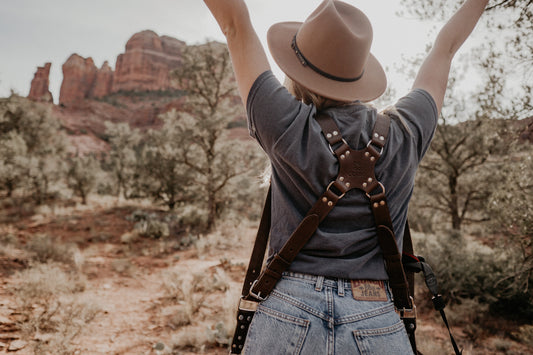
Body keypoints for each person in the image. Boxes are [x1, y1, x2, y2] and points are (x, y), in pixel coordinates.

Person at [203, 0, 489, 353]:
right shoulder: (406, 132)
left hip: (287, 310)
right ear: (358, 74)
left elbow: (234, 22)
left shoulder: (283, 122)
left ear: (296, 69)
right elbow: (444, 50)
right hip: (376, 318)